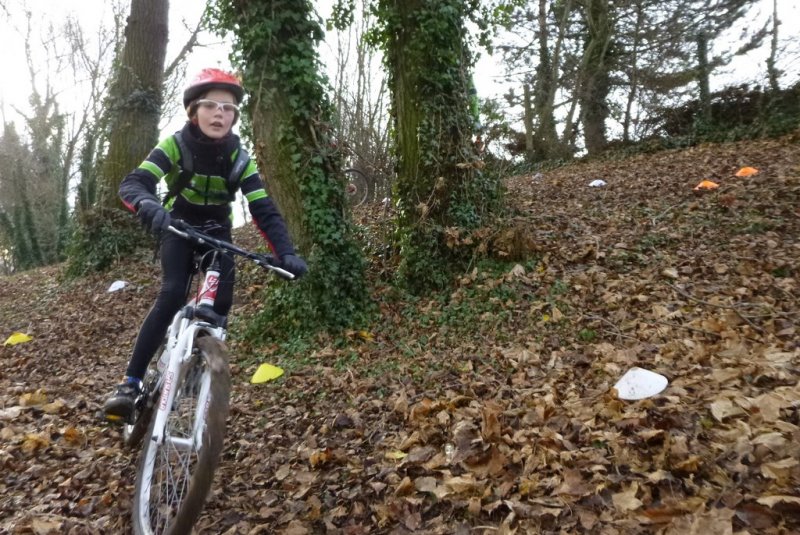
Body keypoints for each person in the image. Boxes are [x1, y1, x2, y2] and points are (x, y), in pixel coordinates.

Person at [103, 68, 307, 421]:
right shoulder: (175, 144)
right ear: (193, 111)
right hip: (178, 227)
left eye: (228, 109)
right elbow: (134, 183)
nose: (219, 114)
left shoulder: (240, 159)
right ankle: (130, 383)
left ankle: (199, 369)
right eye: (211, 105)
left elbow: (263, 209)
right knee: (170, 295)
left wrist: (284, 251)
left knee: (222, 302)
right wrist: (148, 204)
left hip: (218, 233)